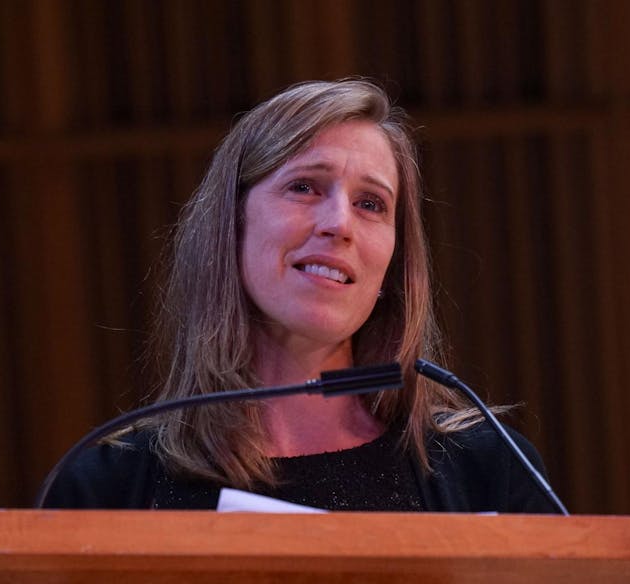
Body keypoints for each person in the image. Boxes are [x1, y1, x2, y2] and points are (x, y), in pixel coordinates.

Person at [40, 79, 558, 514]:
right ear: (232, 224)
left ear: (393, 262)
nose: (339, 224)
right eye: (305, 187)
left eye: (371, 204)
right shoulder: (110, 484)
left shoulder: (485, 468)